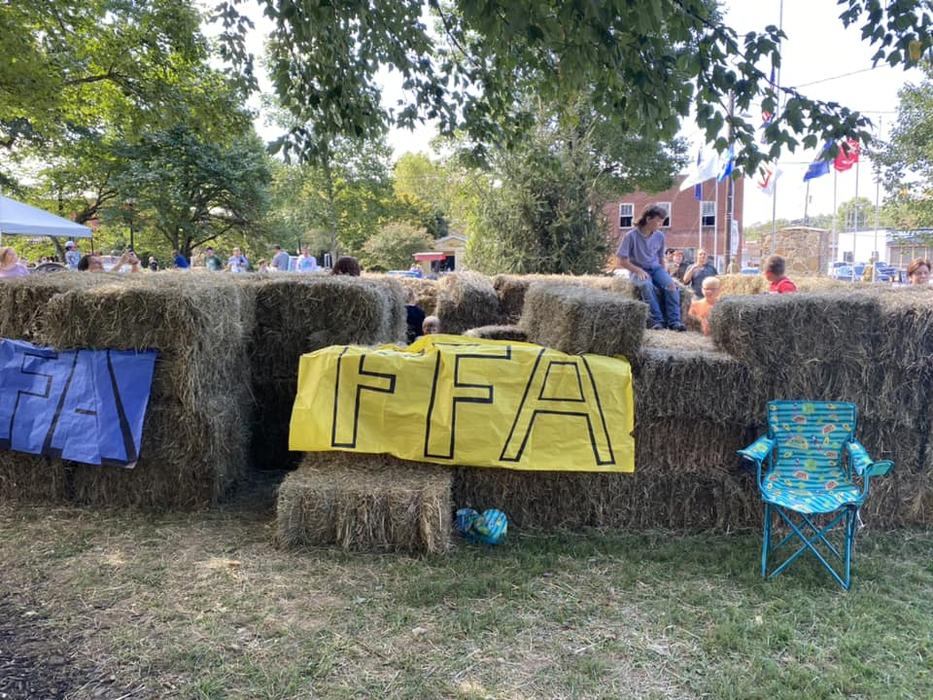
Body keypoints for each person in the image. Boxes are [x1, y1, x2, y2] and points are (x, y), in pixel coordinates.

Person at [616, 204, 685, 331]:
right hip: (638, 269)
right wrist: (637, 270)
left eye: (662, 222)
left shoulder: (660, 236)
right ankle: (657, 321)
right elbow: (622, 261)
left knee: (671, 286)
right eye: (658, 221)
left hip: (656, 269)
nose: (661, 225)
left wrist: (665, 275)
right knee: (647, 286)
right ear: (648, 219)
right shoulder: (630, 236)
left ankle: (675, 322)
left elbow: (660, 258)